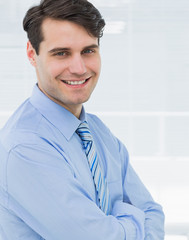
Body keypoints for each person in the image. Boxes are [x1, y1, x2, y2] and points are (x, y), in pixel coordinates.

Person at [0, 0, 165, 239]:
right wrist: (130, 216)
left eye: (88, 51)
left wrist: (118, 224)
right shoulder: (24, 146)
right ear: (32, 54)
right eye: (62, 53)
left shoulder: (98, 132)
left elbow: (153, 214)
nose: (78, 68)